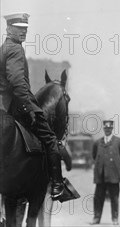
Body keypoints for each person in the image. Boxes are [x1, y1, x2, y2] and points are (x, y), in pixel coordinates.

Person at [0, 13, 65, 199]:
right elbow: (18, 83)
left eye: (25, 28)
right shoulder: (15, 50)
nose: (24, 32)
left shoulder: (2, 49)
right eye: (19, 28)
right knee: (51, 139)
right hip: (16, 106)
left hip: (4, 104)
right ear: (8, 29)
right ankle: (57, 186)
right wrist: (30, 110)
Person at [91, 120, 120, 225]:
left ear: (112, 129)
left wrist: (118, 163)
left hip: (113, 175)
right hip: (101, 175)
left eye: (109, 129)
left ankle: (115, 219)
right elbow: (94, 155)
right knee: (98, 198)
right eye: (106, 128)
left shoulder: (119, 141)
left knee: (114, 198)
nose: (107, 130)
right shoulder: (97, 142)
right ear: (103, 129)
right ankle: (96, 218)